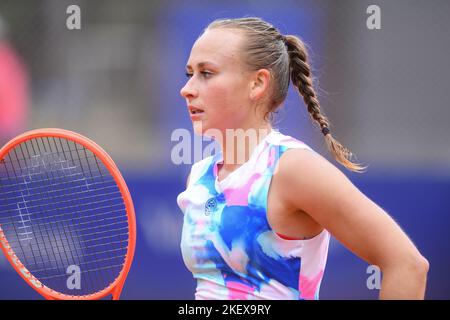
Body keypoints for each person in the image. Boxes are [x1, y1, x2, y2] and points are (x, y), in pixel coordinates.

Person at [176, 17, 428, 300]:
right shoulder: (199, 175)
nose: (187, 89)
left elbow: (407, 265)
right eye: (189, 74)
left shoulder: (294, 168)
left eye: (206, 73)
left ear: (257, 83)